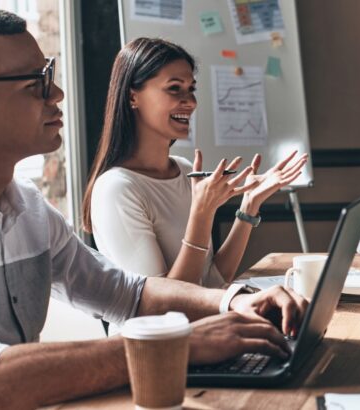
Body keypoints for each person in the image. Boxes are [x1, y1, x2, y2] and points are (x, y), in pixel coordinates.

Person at [0, 8, 307, 408]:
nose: (56, 94)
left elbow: (128, 293)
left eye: (51, 75)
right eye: (35, 84)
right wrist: (180, 344)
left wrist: (233, 301)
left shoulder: (30, 209)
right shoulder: (113, 187)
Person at [82, 38, 307, 287]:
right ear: (133, 97)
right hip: (169, 326)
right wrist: (201, 215)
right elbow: (162, 306)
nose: (190, 102)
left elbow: (211, 280)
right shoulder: (116, 189)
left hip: (207, 324)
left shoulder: (186, 170)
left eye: (191, 89)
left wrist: (249, 206)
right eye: (174, 88)